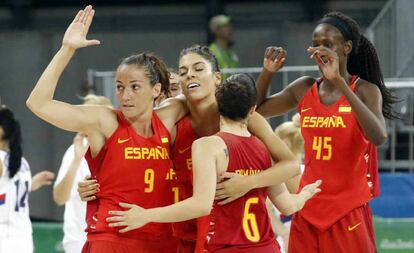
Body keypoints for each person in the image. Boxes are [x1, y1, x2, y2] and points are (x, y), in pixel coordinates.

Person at [79, 45, 302, 253]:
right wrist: (100, 181)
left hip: (231, 238)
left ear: (217, 78)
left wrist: (249, 182)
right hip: (179, 234)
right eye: (183, 71)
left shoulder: (243, 118)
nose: (190, 75)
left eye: (197, 69)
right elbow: (137, 158)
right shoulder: (172, 121)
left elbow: (291, 164)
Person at [26, 5, 187, 253]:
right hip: (111, 241)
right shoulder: (105, 121)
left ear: (156, 91)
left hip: (162, 241)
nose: (125, 95)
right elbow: (38, 104)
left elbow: (206, 97)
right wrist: (66, 49)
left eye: (135, 87)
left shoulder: (169, 118)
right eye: (120, 87)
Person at [252, 11, 399, 252]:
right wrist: (268, 72)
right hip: (307, 205)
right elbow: (256, 111)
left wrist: (340, 82)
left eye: (328, 44)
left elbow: (379, 136)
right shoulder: (304, 87)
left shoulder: (365, 90)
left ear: (347, 47)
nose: (320, 50)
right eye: (315, 45)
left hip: (347, 209)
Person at [53, 95, 112, 253]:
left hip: (109, 239)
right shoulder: (74, 151)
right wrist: (77, 159)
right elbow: (59, 197)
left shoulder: (120, 149)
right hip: (77, 240)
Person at [0, 106, 55, 253]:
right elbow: (9, 192)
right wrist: (32, 183)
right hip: (23, 237)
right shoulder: (21, 161)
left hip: (4, 237)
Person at [209, 14, 239, 79]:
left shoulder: (232, 54)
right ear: (216, 30)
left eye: (229, 25)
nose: (229, 28)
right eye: (225, 26)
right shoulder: (211, 52)